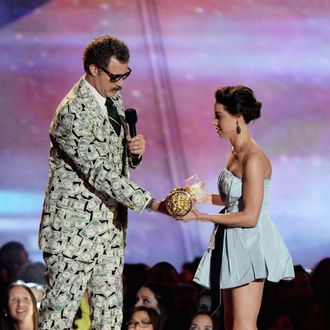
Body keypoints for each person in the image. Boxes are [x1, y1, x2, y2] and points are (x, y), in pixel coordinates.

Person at [37, 34, 165, 329]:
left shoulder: (112, 97)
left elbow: (113, 161)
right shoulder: (71, 113)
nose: (121, 83)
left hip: (110, 231)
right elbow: (99, 173)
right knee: (57, 318)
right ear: (94, 69)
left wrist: (134, 154)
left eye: (125, 75)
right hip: (73, 235)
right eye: (116, 76)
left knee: (109, 319)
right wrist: (152, 203)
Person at [179, 85, 294, 330]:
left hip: (250, 243)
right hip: (232, 241)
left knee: (242, 325)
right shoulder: (234, 153)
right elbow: (234, 199)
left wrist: (200, 216)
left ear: (238, 117)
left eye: (219, 116)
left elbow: (251, 215)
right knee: (230, 323)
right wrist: (200, 198)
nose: (214, 122)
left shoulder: (253, 158)